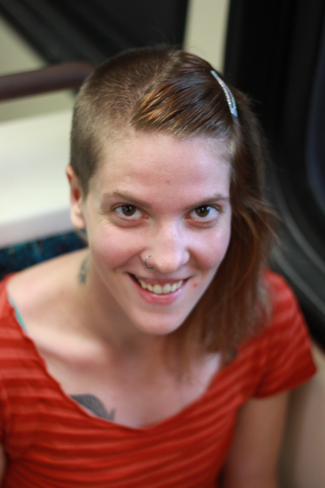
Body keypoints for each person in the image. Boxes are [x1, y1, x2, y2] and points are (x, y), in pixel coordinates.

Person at [0, 46, 316, 487]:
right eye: (130, 210)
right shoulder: (5, 359)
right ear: (77, 198)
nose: (168, 259)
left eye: (203, 211)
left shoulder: (262, 313)